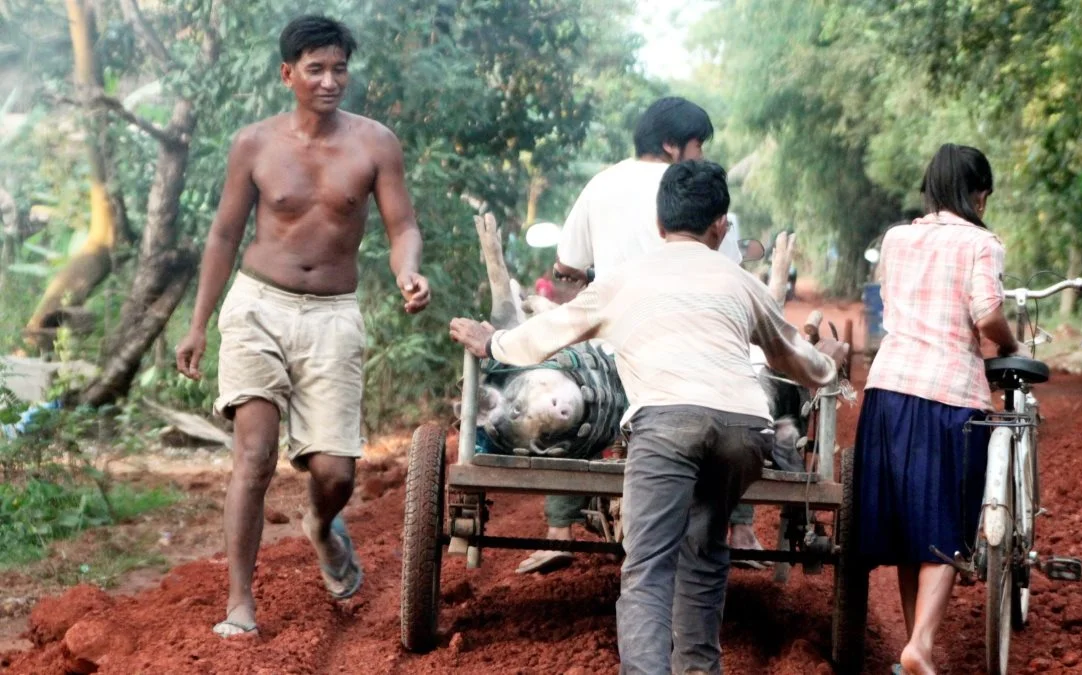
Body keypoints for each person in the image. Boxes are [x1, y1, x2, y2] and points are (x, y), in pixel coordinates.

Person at [449, 160, 846, 674]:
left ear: (660, 226)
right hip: (744, 431)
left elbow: (549, 334)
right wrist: (828, 366)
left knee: (649, 570)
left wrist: (493, 341)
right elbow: (795, 359)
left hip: (667, 426)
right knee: (703, 554)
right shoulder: (740, 280)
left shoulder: (625, 279)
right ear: (720, 227)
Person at [174, 15, 431, 638]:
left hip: (333, 316)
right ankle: (240, 603)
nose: (329, 80)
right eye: (315, 69)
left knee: (335, 474)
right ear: (288, 74)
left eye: (339, 68)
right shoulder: (255, 144)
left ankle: (321, 524)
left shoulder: (375, 144)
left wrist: (409, 272)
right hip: (257, 306)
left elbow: (401, 227)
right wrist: (199, 323)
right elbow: (224, 235)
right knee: (255, 455)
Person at [516, 96, 767, 575]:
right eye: (698, 146)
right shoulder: (698, 193)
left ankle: (559, 530)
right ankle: (742, 527)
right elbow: (728, 267)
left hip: (617, 355)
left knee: (564, 384)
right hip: (696, 357)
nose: (700, 157)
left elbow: (567, 265)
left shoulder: (601, 185)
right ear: (673, 146)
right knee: (743, 395)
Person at [853, 144, 1025, 674]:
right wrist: (1010, 344)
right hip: (949, 393)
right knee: (946, 523)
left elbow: (893, 301)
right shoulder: (982, 243)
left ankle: (915, 645)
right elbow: (986, 313)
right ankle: (920, 646)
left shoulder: (896, 239)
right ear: (979, 194)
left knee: (910, 526)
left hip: (889, 390)